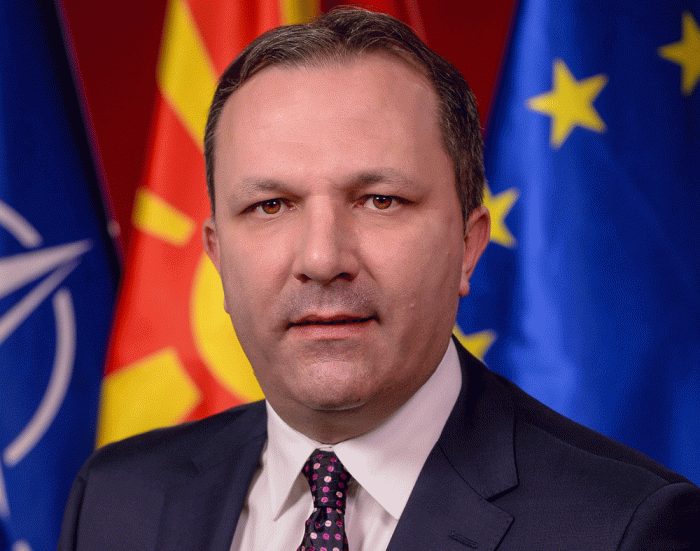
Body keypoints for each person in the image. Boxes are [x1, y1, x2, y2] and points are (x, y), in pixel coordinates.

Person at [59, 8, 699, 550]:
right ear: (218, 258)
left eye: (379, 200)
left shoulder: (623, 528)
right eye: (271, 206)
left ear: (468, 245)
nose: (322, 258)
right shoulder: (114, 505)